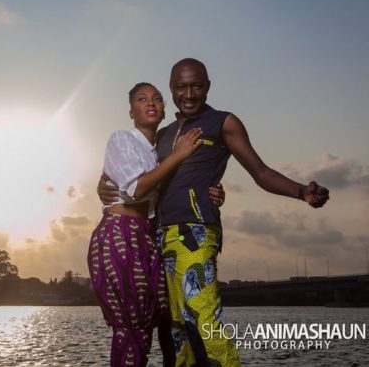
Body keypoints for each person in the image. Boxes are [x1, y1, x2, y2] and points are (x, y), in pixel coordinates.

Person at [98, 59, 330, 367]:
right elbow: (131, 172)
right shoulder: (163, 135)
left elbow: (260, 172)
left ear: (207, 86)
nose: (189, 94)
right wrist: (102, 184)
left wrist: (301, 191)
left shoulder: (223, 122)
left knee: (203, 321)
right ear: (172, 89)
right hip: (158, 237)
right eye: (181, 87)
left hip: (194, 232)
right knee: (177, 330)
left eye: (197, 86)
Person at [88, 82, 225, 367]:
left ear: (164, 111)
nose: (151, 103)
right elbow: (137, 189)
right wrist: (180, 154)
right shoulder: (122, 139)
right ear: (131, 111)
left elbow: (175, 187)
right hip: (120, 233)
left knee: (166, 321)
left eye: (157, 99)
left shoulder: (157, 152)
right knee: (132, 328)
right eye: (142, 99)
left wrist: (212, 190)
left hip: (148, 237)